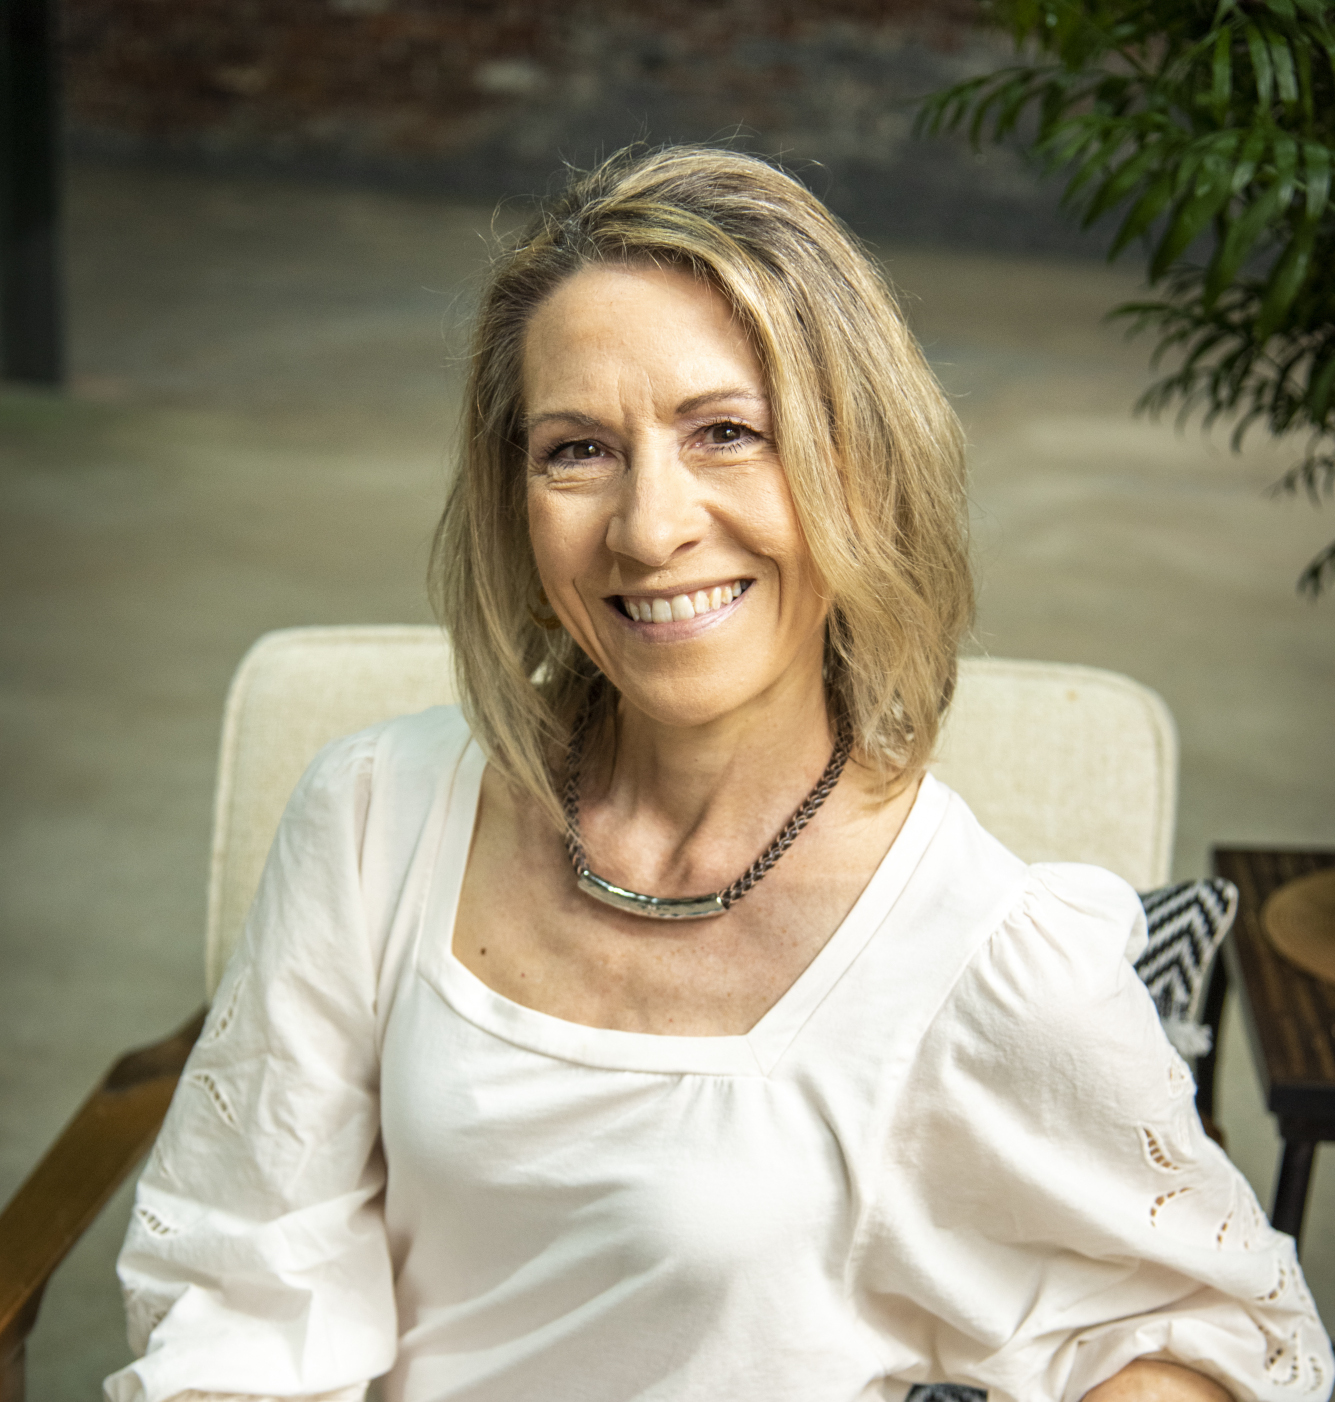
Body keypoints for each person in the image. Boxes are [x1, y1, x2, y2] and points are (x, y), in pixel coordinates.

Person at [107, 147, 1331, 1402]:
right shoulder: (375, 813)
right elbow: (244, 1281)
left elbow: (1219, 1337)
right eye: (578, 451)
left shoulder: (980, 953)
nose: (650, 528)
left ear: (860, 467)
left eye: (728, 433)